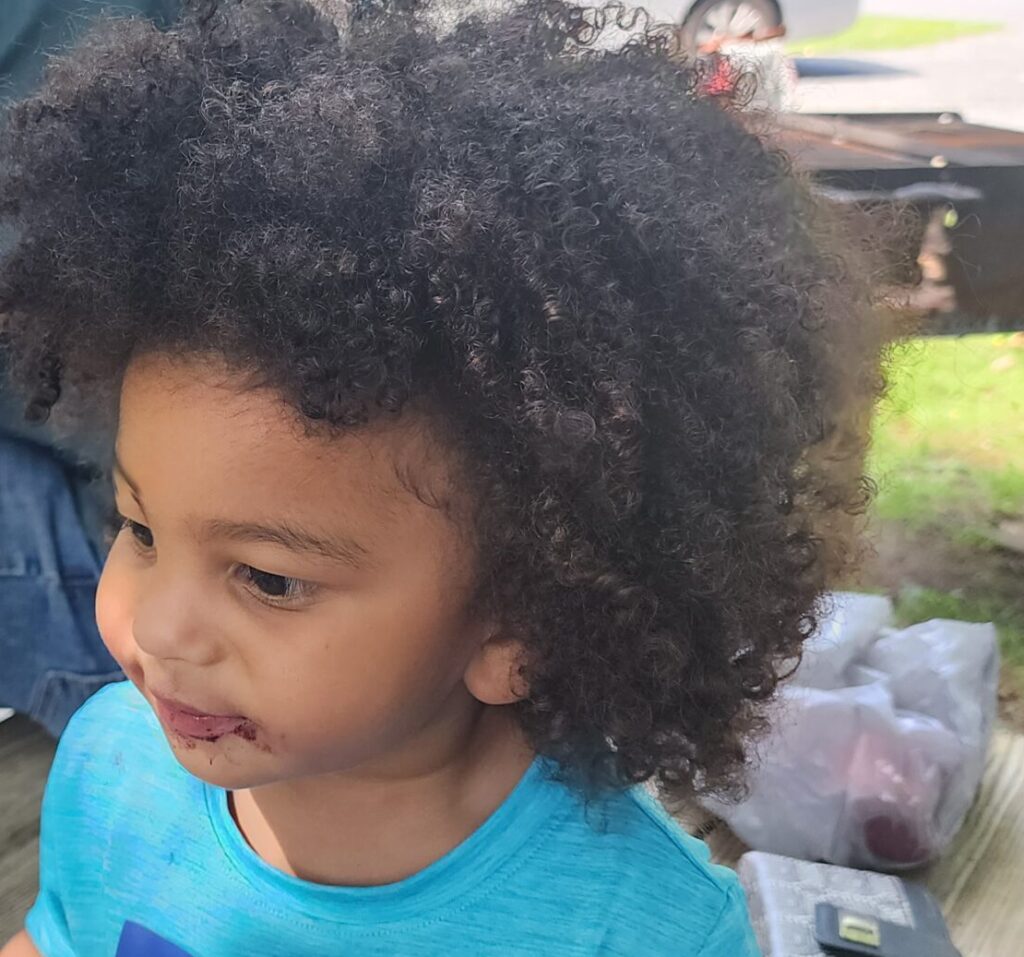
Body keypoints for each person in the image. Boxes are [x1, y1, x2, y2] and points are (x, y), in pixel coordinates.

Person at [0, 0, 878, 953]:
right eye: (140, 528)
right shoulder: (111, 764)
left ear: (521, 621)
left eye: (268, 577)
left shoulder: (635, 928)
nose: (157, 629)